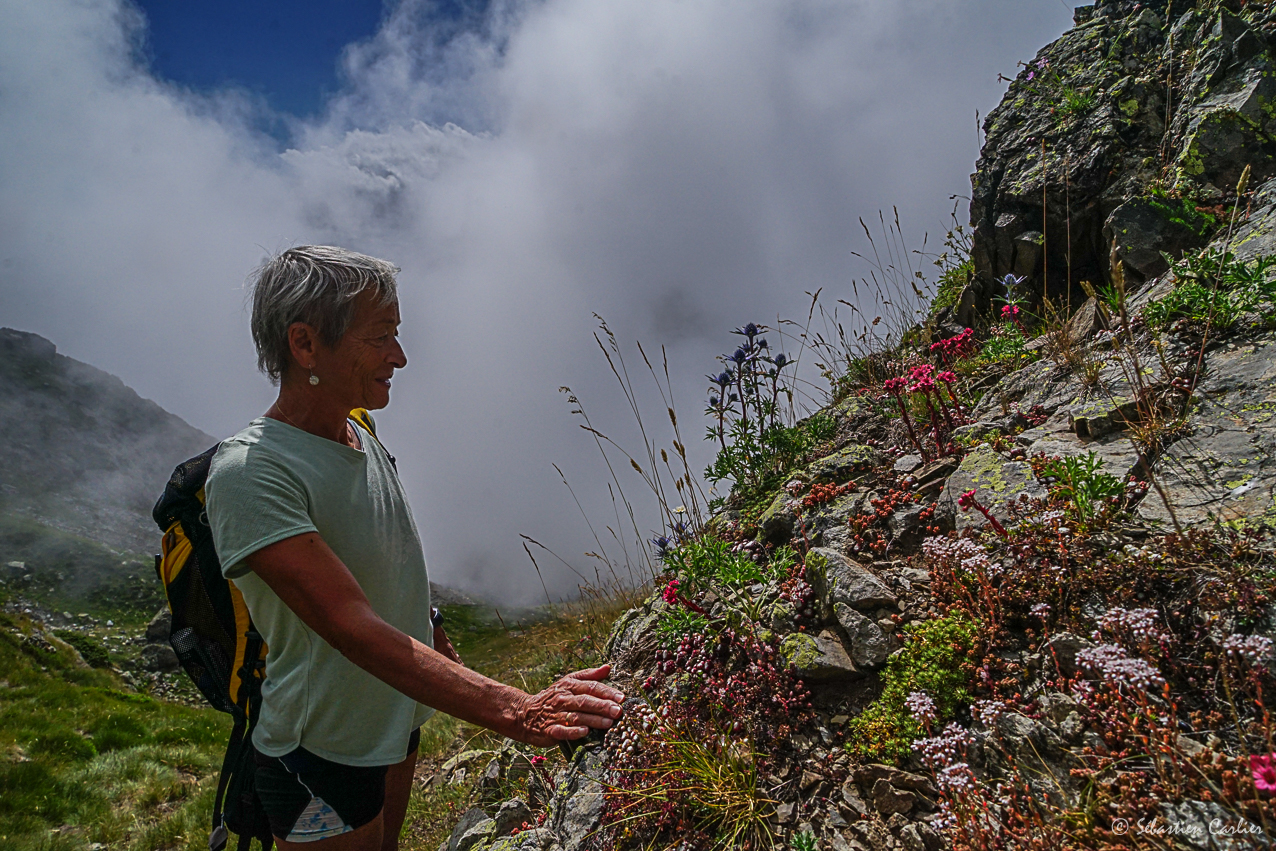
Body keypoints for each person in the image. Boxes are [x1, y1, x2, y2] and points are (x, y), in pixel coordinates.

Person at [204, 246, 624, 850]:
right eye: (380, 337)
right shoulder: (250, 472)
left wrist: (433, 630)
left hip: (395, 720)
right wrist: (518, 710)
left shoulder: (359, 431)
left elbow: (381, 553)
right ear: (305, 344)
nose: (399, 356)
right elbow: (349, 625)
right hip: (320, 751)